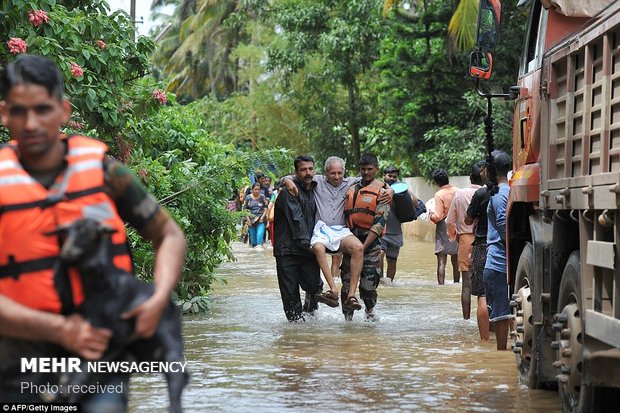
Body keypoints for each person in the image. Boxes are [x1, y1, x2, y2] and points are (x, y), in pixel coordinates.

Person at [0, 55, 187, 408]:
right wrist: (60, 330)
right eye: (20, 112)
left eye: (42, 109)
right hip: (16, 368)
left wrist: (159, 296)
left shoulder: (105, 173)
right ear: (4, 113)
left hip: (102, 361)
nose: (31, 123)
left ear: (64, 110)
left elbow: (170, 236)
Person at [273, 155, 323, 322]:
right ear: (296, 172)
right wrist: (315, 249)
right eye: (303, 170)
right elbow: (297, 221)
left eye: (310, 169)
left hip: (308, 249)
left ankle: (310, 326)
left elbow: (342, 179)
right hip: (288, 251)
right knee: (291, 297)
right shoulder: (289, 191)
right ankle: (297, 335)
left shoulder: (316, 187)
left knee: (315, 286)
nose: (308, 173)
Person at [342, 153, 391, 321]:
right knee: (347, 282)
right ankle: (347, 320)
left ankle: (369, 310)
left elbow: (379, 224)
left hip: (371, 244)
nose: (366, 172)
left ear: (376, 169)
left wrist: (362, 248)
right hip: (350, 241)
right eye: (363, 169)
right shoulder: (350, 187)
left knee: (368, 284)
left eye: (369, 169)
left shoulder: (383, 191)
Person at [446, 162, 483, 319]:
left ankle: (466, 320)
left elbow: (449, 221)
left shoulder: (459, 194)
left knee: (466, 285)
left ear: (470, 178)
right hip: (485, 239)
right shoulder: (488, 192)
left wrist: (454, 236)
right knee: (486, 285)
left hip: (465, 240)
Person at [483, 150, 512, 350]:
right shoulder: (509, 191)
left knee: (500, 314)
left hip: (498, 262)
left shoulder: (498, 195)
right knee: (503, 312)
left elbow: (502, 225)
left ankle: (500, 353)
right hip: (503, 261)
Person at [465, 162, 491, 341]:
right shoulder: (510, 191)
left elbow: (468, 219)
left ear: (488, 171)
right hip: (506, 246)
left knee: (483, 294)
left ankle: (485, 341)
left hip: (482, 245)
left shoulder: (481, 193)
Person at [380, 166, 419, 283]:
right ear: (383, 175)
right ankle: (380, 280)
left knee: (392, 261)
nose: (391, 178)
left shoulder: (401, 190)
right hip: (380, 230)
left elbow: (416, 203)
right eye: (389, 176)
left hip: (396, 231)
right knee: (379, 255)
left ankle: (389, 283)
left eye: (394, 177)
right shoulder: (377, 187)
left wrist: (404, 190)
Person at [428, 168, 459, 285]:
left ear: (436, 182)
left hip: (443, 227)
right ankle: (457, 283)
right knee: (456, 259)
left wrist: (430, 214)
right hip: (457, 225)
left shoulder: (439, 194)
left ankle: (441, 286)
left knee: (442, 260)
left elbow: (438, 216)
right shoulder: (458, 191)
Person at [244, 182, 269, 249]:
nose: (257, 191)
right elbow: (245, 210)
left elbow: (266, 208)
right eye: (255, 189)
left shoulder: (262, 197)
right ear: (252, 190)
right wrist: (248, 220)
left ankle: (260, 255)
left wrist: (263, 217)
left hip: (260, 220)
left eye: (258, 189)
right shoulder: (248, 197)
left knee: (259, 238)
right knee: (253, 243)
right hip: (251, 221)